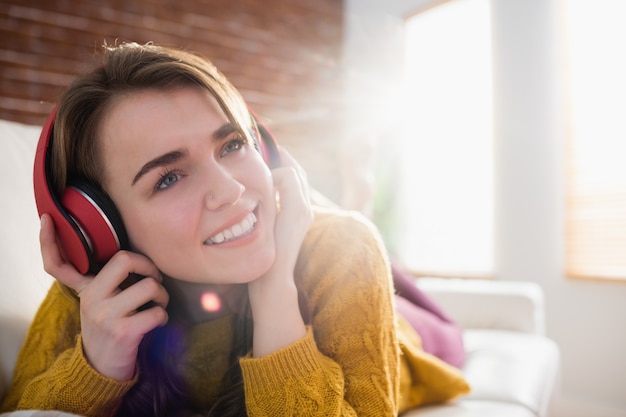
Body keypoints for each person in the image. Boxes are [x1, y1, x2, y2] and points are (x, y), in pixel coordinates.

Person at [1, 42, 469, 417]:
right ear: (101, 228)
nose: (228, 189)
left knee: (360, 240)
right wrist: (95, 366)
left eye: (232, 145)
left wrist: (274, 292)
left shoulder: (344, 250)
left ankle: (347, 204)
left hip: (408, 333)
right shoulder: (96, 300)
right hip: (277, 236)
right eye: (168, 177)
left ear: (262, 147)